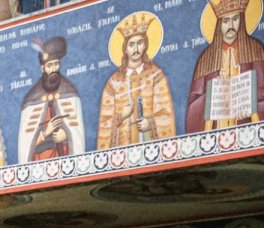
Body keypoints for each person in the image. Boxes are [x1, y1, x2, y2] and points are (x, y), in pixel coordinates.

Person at [96, 13, 175, 149]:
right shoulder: (114, 82)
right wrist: (121, 116)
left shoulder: (155, 75)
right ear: (125, 50)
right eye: (131, 45)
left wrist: (150, 124)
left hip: (150, 146)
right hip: (122, 150)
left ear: (145, 45)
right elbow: (104, 122)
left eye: (140, 43)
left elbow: (166, 114)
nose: (136, 49)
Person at [186, 0, 264, 132]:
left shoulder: (255, 50)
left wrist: (251, 104)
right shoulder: (206, 59)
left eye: (235, 19)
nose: (231, 26)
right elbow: (193, 104)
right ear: (219, 24)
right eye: (226, 21)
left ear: (242, 20)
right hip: (217, 131)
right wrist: (212, 97)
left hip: (247, 129)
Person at [18, 37, 85, 162]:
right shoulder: (32, 98)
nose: (53, 69)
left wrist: (66, 135)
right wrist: (44, 133)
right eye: (49, 65)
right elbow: (25, 143)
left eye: (56, 64)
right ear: (42, 68)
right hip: (41, 160)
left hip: (65, 157)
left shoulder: (69, 91)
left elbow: (77, 132)